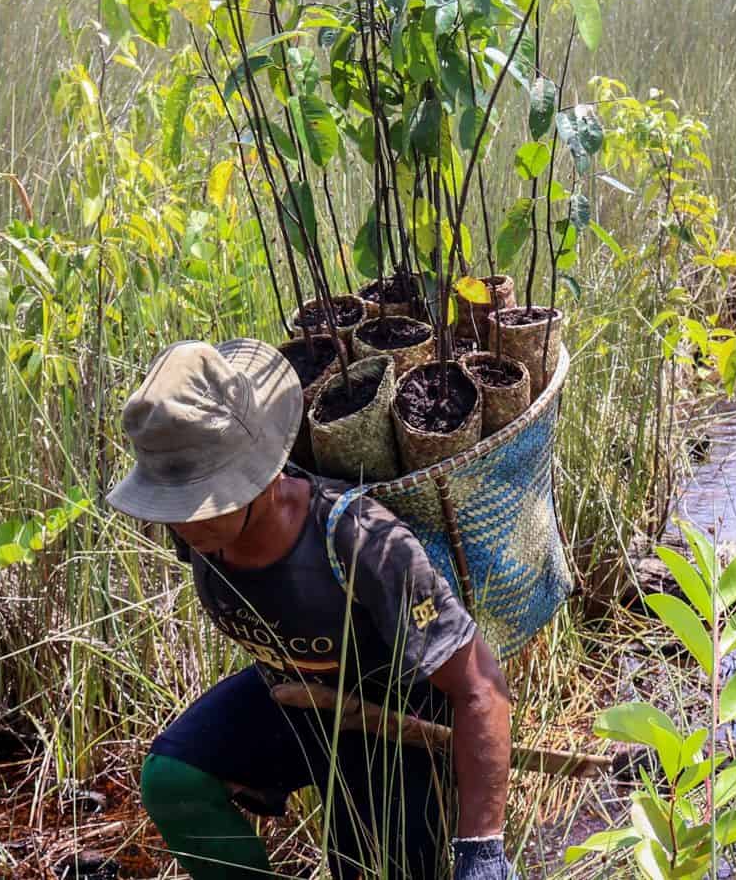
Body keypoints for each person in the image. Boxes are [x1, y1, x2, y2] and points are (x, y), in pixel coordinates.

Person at [106, 339, 518, 880]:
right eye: (172, 503)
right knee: (174, 777)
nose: (180, 523)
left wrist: (481, 848)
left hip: (391, 728)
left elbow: (480, 688)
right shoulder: (198, 534)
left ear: (262, 477)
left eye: (199, 501)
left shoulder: (363, 543)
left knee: (368, 870)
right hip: (295, 697)